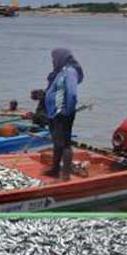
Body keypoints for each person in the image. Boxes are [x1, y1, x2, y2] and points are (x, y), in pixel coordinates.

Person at [44, 48, 84, 179]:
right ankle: (55, 169)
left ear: (61, 58)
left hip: (63, 114)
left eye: (54, 59)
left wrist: (66, 111)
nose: (53, 61)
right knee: (57, 142)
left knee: (65, 144)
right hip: (56, 113)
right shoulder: (61, 71)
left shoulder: (70, 71)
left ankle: (65, 175)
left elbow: (72, 93)